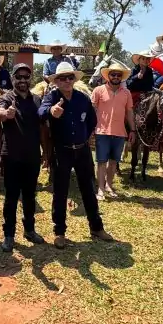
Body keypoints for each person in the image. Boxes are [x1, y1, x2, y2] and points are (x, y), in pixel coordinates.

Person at [38, 61, 115, 248]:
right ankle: (60, 232)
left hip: (82, 150)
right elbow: (40, 113)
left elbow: (91, 121)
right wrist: (51, 111)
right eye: (62, 78)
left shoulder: (82, 98)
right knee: (60, 192)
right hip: (61, 151)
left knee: (88, 189)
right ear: (56, 81)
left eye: (70, 77)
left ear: (74, 79)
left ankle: (96, 227)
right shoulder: (51, 97)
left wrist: (83, 138)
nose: (66, 81)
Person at [0, 63, 46, 253]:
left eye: (26, 77)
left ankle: (29, 230)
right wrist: (6, 114)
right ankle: (9, 234)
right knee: (11, 196)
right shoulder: (6, 98)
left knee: (30, 196)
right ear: (13, 79)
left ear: (30, 79)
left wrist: (46, 152)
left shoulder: (37, 100)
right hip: (12, 156)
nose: (23, 81)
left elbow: (43, 127)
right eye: (19, 77)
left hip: (32, 156)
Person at [92, 61, 136, 201]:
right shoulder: (98, 90)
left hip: (120, 132)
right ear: (108, 76)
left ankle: (109, 185)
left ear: (122, 77)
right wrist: (90, 129)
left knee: (113, 162)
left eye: (118, 75)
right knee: (101, 161)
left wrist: (133, 130)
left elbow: (129, 112)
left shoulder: (126, 93)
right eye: (113, 74)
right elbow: (92, 110)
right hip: (102, 131)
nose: (116, 76)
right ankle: (100, 188)